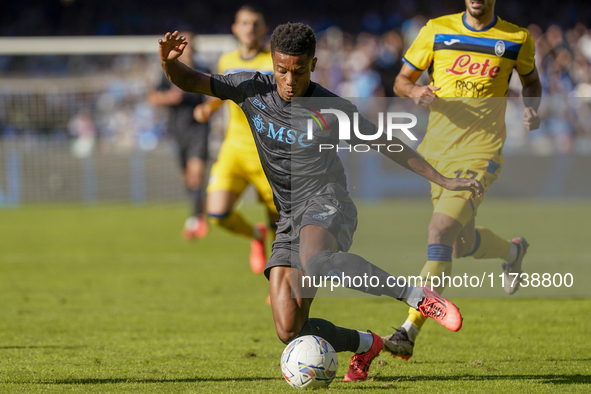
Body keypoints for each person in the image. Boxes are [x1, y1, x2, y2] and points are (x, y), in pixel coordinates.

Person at [158, 24, 483, 382]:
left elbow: (387, 143)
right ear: (273, 63)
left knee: (318, 261)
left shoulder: (331, 108)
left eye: (298, 71)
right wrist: (168, 63)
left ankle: (418, 296)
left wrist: (444, 180)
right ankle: (367, 343)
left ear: (313, 64)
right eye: (281, 70)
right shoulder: (250, 88)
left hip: (329, 202)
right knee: (289, 329)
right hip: (289, 216)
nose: (289, 80)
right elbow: (190, 81)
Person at [383, 0, 542, 360]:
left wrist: (532, 107)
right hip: (436, 155)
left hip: (480, 154)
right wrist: (416, 92)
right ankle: (514, 252)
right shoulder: (436, 30)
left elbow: (532, 82)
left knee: (439, 231)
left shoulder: (517, 38)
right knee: (457, 244)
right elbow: (401, 82)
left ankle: (408, 331)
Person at [193, 6, 278, 275]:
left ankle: (280, 287)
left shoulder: (274, 62)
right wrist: (209, 107)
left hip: (269, 153)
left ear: (265, 29)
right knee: (217, 213)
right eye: (244, 23)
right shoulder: (226, 60)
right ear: (235, 28)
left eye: (255, 23)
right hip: (235, 149)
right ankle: (255, 234)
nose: (250, 28)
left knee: (281, 226)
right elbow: (223, 91)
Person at [148, 31, 210, 240]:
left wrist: (208, 108)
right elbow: (154, 97)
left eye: (191, 43)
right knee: (186, 177)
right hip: (178, 129)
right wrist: (170, 98)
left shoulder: (203, 70)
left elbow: (216, 93)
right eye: (185, 43)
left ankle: (195, 219)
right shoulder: (170, 70)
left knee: (196, 173)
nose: (189, 47)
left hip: (199, 128)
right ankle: (198, 206)